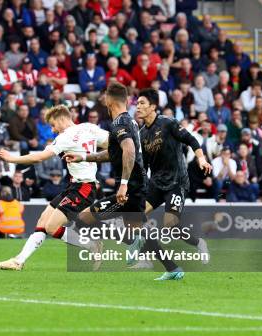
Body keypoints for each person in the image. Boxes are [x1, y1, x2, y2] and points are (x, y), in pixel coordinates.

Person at [65, 82, 184, 280]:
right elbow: (114, 154)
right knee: (137, 233)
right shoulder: (129, 121)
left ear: (108, 100)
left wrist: (123, 184)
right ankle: (172, 268)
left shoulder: (119, 123)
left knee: (84, 218)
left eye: (104, 97)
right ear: (127, 100)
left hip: (131, 189)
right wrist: (84, 157)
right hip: (138, 187)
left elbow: (128, 150)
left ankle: (129, 243)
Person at [0, 105, 108, 271]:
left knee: (51, 227)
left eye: (53, 125)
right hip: (75, 186)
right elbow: (115, 144)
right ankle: (18, 261)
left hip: (83, 188)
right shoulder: (89, 128)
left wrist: (12, 159)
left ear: (61, 119)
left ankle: (92, 246)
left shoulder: (65, 137)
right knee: (42, 222)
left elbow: (39, 157)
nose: (53, 130)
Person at [133, 89, 212, 266]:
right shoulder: (141, 134)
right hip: (156, 183)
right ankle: (146, 258)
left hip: (176, 182)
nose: (138, 107)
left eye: (142, 103)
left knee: (171, 226)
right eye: (137, 103)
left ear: (153, 106)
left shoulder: (168, 123)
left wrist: (201, 158)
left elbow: (191, 140)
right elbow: (144, 165)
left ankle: (199, 242)